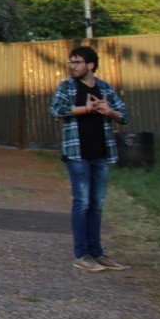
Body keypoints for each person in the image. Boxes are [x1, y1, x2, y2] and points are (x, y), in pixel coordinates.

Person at [49, 44, 129, 272]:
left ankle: (97, 252)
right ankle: (82, 254)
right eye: (71, 62)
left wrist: (108, 111)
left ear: (90, 65)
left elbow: (124, 116)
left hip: (101, 153)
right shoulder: (67, 87)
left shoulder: (105, 88)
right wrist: (85, 109)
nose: (73, 66)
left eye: (77, 62)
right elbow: (55, 110)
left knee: (97, 204)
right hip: (77, 154)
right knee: (82, 202)